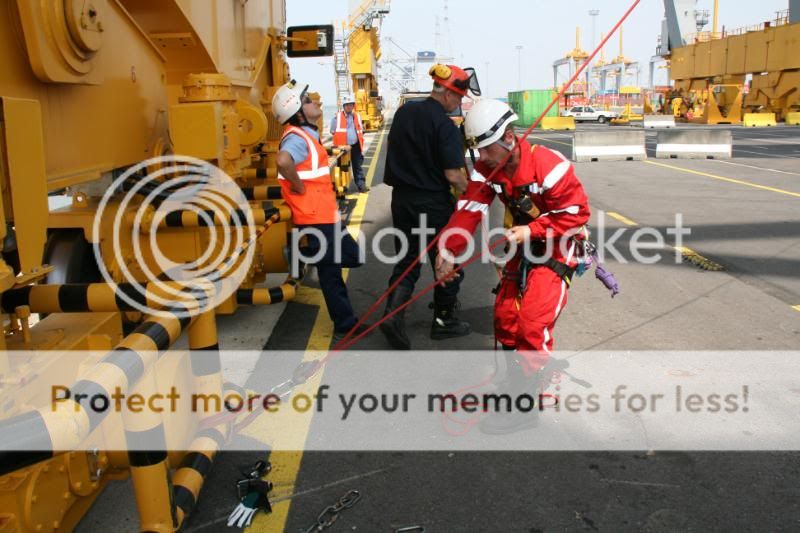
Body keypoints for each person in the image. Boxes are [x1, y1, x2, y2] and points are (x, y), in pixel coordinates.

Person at [435, 99, 591, 434]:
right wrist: (449, 250)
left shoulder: (550, 168)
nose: (481, 159)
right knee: (506, 317)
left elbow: (576, 216)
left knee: (532, 325)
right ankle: (515, 384)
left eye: (486, 150)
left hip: (559, 248)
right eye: (477, 151)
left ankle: (523, 407)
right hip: (525, 245)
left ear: (508, 137)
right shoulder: (488, 168)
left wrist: (532, 229)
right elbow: (468, 208)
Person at [379, 64, 479, 350]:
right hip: (432, 203)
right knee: (447, 257)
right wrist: (471, 194)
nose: (458, 103)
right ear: (448, 93)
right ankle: (445, 321)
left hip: (402, 200)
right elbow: (453, 175)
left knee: (408, 260)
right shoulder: (444, 126)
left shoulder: (404, 112)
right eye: (459, 98)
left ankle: (392, 316)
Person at [272, 80, 370, 345]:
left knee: (353, 256)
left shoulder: (307, 134)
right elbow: (283, 161)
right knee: (332, 275)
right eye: (307, 100)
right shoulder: (296, 137)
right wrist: (298, 185)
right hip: (317, 219)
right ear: (297, 111)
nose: (314, 100)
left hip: (326, 216)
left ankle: (303, 253)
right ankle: (345, 326)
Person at [330, 93, 369, 193]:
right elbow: (332, 131)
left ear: (353, 105)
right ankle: (342, 188)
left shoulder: (357, 116)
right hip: (343, 148)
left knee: (357, 167)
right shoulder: (336, 117)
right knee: (343, 168)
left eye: (351, 104)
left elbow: (361, 130)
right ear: (343, 106)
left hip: (355, 146)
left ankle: (361, 185)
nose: (349, 106)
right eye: (347, 105)